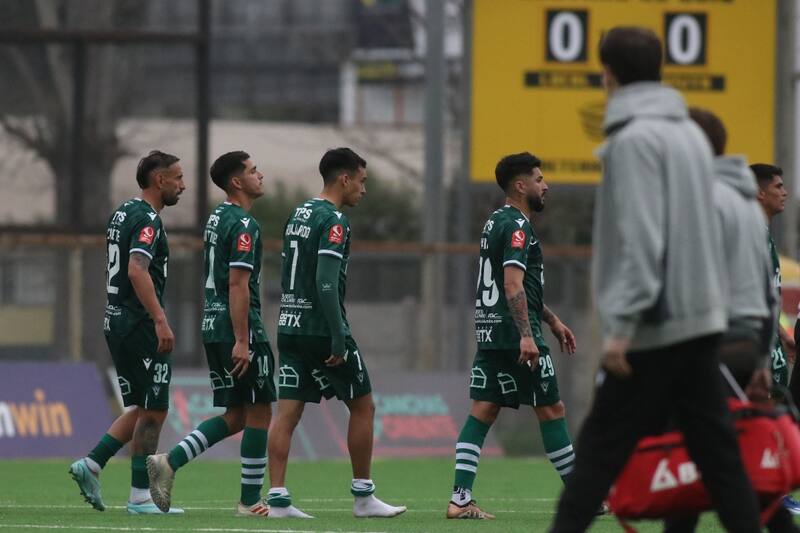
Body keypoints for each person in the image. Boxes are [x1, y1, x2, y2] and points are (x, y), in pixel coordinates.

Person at [549, 27, 762, 532]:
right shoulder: (688, 133)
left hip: (655, 325)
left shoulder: (632, 139)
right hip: (699, 317)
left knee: (598, 454)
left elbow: (644, 240)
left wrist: (622, 327)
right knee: (721, 463)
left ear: (608, 73)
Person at [660, 110, 800, 532]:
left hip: (715, 349)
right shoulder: (738, 214)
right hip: (732, 348)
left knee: (709, 449)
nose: (786, 193)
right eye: (778, 186)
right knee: (722, 448)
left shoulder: (707, 204)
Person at [266, 148, 405, 519]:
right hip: (319, 329)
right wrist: (339, 334)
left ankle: (277, 498)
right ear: (344, 178)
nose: (364, 189)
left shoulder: (298, 213)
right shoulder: (335, 221)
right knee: (363, 404)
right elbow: (326, 283)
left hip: (289, 325)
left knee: (287, 413)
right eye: (362, 181)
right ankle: (364, 497)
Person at [445, 152, 579, 520]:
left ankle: (460, 499)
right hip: (516, 334)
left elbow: (518, 287)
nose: (545, 185)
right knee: (552, 410)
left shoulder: (495, 222)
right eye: (539, 179)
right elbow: (512, 283)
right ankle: (583, 497)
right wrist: (527, 334)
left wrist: (551, 320)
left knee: (483, 410)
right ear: (520, 186)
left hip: (491, 331)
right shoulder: (518, 227)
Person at [146, 151, 276, 516]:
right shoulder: (245, 225)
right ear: (237, 182)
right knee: (261, 411)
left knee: (236, 414)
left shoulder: (217, 217)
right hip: (237, 328)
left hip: (212, 325)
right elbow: (238, 284)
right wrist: (242, 339)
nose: (260, 175)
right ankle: (250, 501)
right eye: (253, 171)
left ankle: (169, 461)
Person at [69, 150, 186, 514]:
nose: (182, 185)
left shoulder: (123, 211)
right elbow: (137, 270)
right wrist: (160, 319)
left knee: (141, 406)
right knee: (155, 409)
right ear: (159, 180)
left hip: (116, 318)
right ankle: (139, 496)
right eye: (178, 178)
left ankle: (91, 465)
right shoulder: (148, 219)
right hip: (138, 323)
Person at [751, 164, 797, 389]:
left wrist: (781, 334)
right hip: (755, 346)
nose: (785, 192)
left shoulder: (764, 234)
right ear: (760, 192)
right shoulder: (750, 236)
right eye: (778, 186)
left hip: (771, 342)